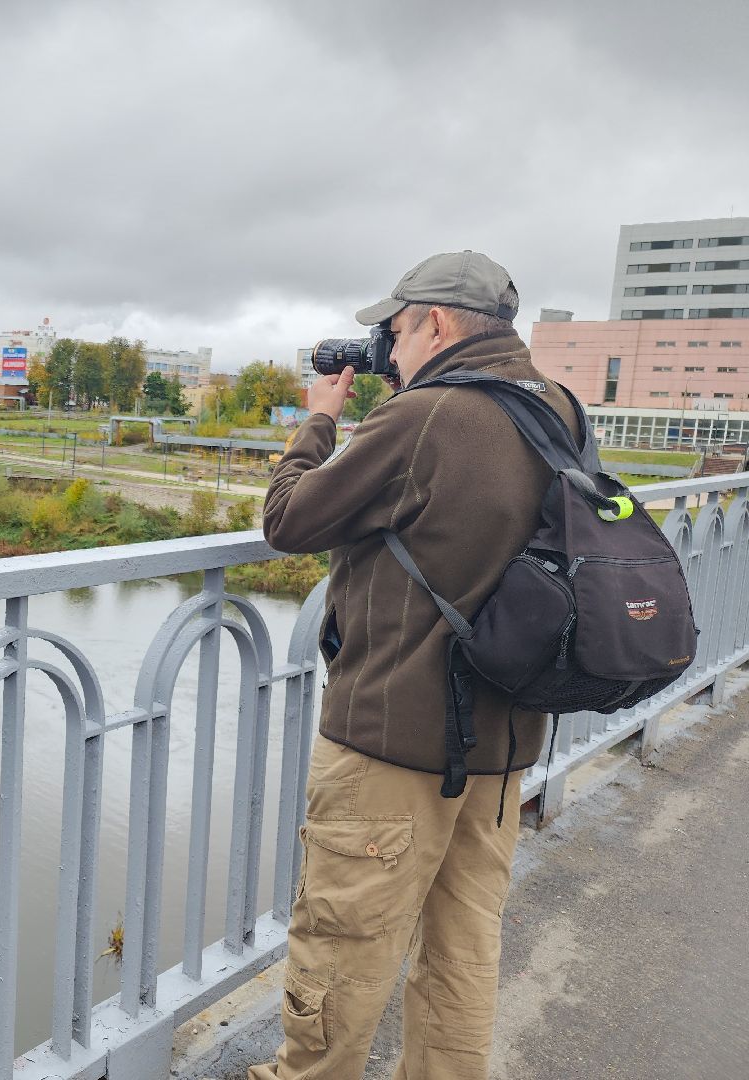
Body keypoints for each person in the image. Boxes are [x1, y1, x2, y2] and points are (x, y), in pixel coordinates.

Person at [250, 251, 580, 1080]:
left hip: (393, 744)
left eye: (393, 333)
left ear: (435, 322)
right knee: (464, 947)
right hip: (506, 740)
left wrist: (318, 420)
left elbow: (289, 519)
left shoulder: (425, 416)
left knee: (343, 947)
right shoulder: (557, 407)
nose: (386, 353)